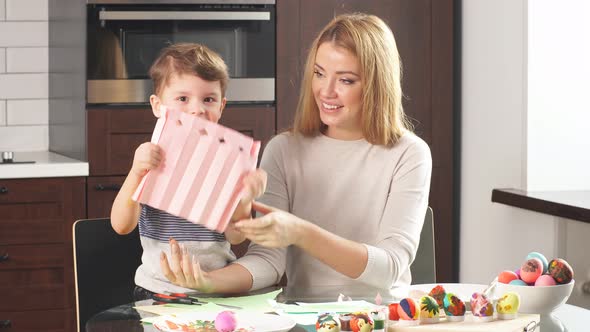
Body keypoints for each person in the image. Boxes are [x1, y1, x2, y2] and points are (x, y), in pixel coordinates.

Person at [160, 13, 432, 293]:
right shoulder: (284, 150)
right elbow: (268, 259)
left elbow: (389, 268)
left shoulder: (409, 154)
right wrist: (207, 282)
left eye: (346, 80)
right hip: (305, 315)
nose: (326, 91)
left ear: (376, 84)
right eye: (319, 73)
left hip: (383, 318)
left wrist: (299, 232)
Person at [110, 43, 266, 299]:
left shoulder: (227, 164)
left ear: (221, 106)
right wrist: (136, 173)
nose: (197, 109)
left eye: (209, 99)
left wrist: (245, 197)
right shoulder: (151, 159)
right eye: (183, 99)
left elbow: (236, 237)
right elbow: (121, 225)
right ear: (157, 105)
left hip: (215, 290)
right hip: (157, 291)